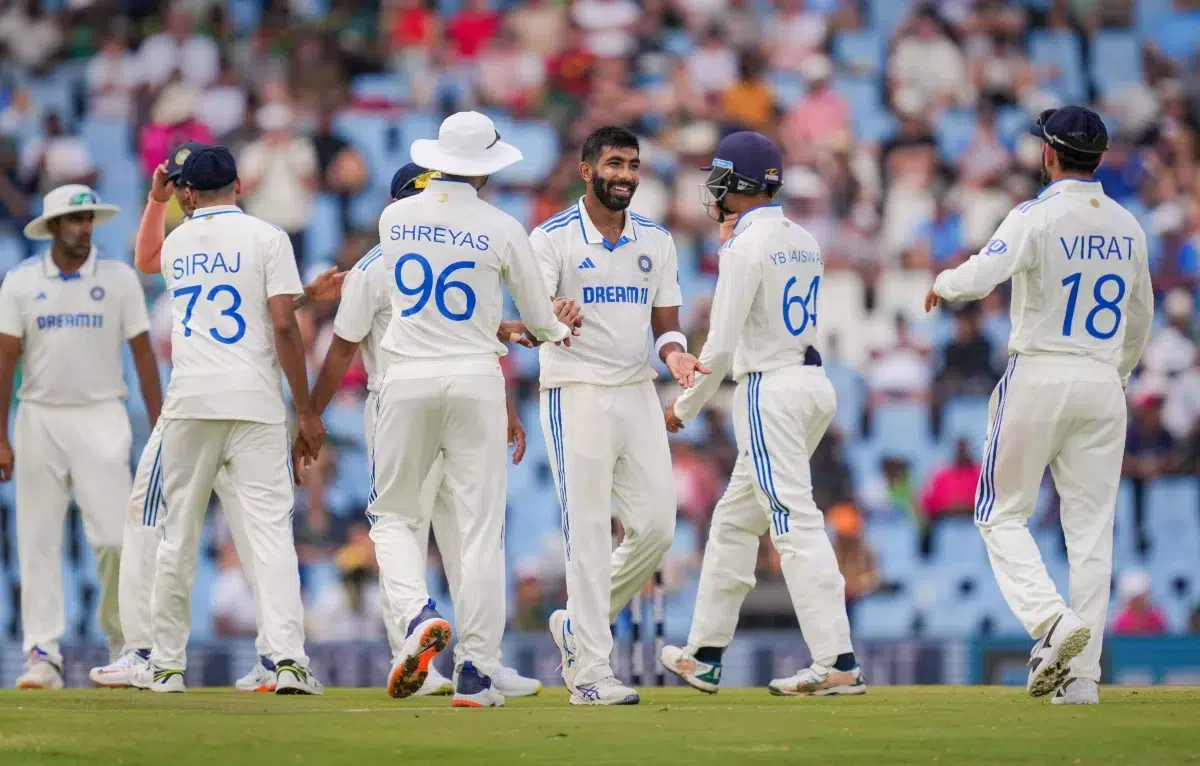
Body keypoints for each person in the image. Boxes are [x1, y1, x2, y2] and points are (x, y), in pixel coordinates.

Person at [88, 143, 344, 690]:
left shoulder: (179, 242)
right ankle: (288, 661)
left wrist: (154, 202)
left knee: (178, 535)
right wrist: (304, 408)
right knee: (271, 537)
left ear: (188, 195)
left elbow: (149, 261)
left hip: (192, 402)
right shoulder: (268, 237)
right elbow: (279, 323)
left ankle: (167, 665)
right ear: (240, 186)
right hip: (254, 403)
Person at [924, 106, 1154, 705]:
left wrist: (944, 283)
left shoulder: (1036, 213)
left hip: (1041, 371)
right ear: (1098, 159)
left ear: (1048, 154)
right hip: (1102, 380)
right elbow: (1140, 318)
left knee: (999, 514)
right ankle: (1081, 680)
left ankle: (1052, 622)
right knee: (1092, 535)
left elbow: (984, 275)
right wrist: (1118, 373)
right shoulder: (1129, 225)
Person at [307, 162, 546, 699]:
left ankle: (465, 656)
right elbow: (344, 347)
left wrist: (310, 415)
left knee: (435, 535)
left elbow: (477, 336)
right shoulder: (384, 263)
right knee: (454, 534)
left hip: (417, 401)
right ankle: (438, 659)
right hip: (423, 401)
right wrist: (312, 415)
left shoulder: (388, 259)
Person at [367, 112, 573, 708]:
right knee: (480, 532)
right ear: (485, 167)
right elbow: (539, 319)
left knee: (392, 517)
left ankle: (417, 616)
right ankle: (478, 672)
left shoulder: (393, 218)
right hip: (475, 379)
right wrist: (556, 328)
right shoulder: (502, 226)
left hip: (405, 376)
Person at [655, 131, 865, 697]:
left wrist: (684, 407)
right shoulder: (803, 237)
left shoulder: (745, 248)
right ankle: (704, 654)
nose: (715, 190)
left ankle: (838, 661)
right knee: (733, 522)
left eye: (721, 179)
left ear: (740, 184)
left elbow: (721, 347)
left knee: (793, 523)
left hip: (769, 389)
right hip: (811, 384)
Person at [535, 125, 706, 706]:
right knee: (587, 533)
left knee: (657, 529)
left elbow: (666, 325)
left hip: (637, 390)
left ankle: (577, 626)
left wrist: (676, 354)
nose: (625, 175)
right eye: (613, 164)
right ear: (587, 170)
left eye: (632, 165)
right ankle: (589, 673)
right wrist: (552, 317)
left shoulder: (656, 240)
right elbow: (534, 317)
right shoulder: (551, 237)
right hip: (575, 388)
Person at [0, 185, 161, 689]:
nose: (84, 227)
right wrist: (0, 436)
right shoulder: (21, 282)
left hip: (102, 414)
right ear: (52, 226)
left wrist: (161, 428)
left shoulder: (118, 279)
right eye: (75, 219)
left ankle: (123, 643)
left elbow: (143, 356)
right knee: (37, 539)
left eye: (90, 218)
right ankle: (43, 655)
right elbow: (5, 359)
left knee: (115, 539)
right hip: (39, 417)